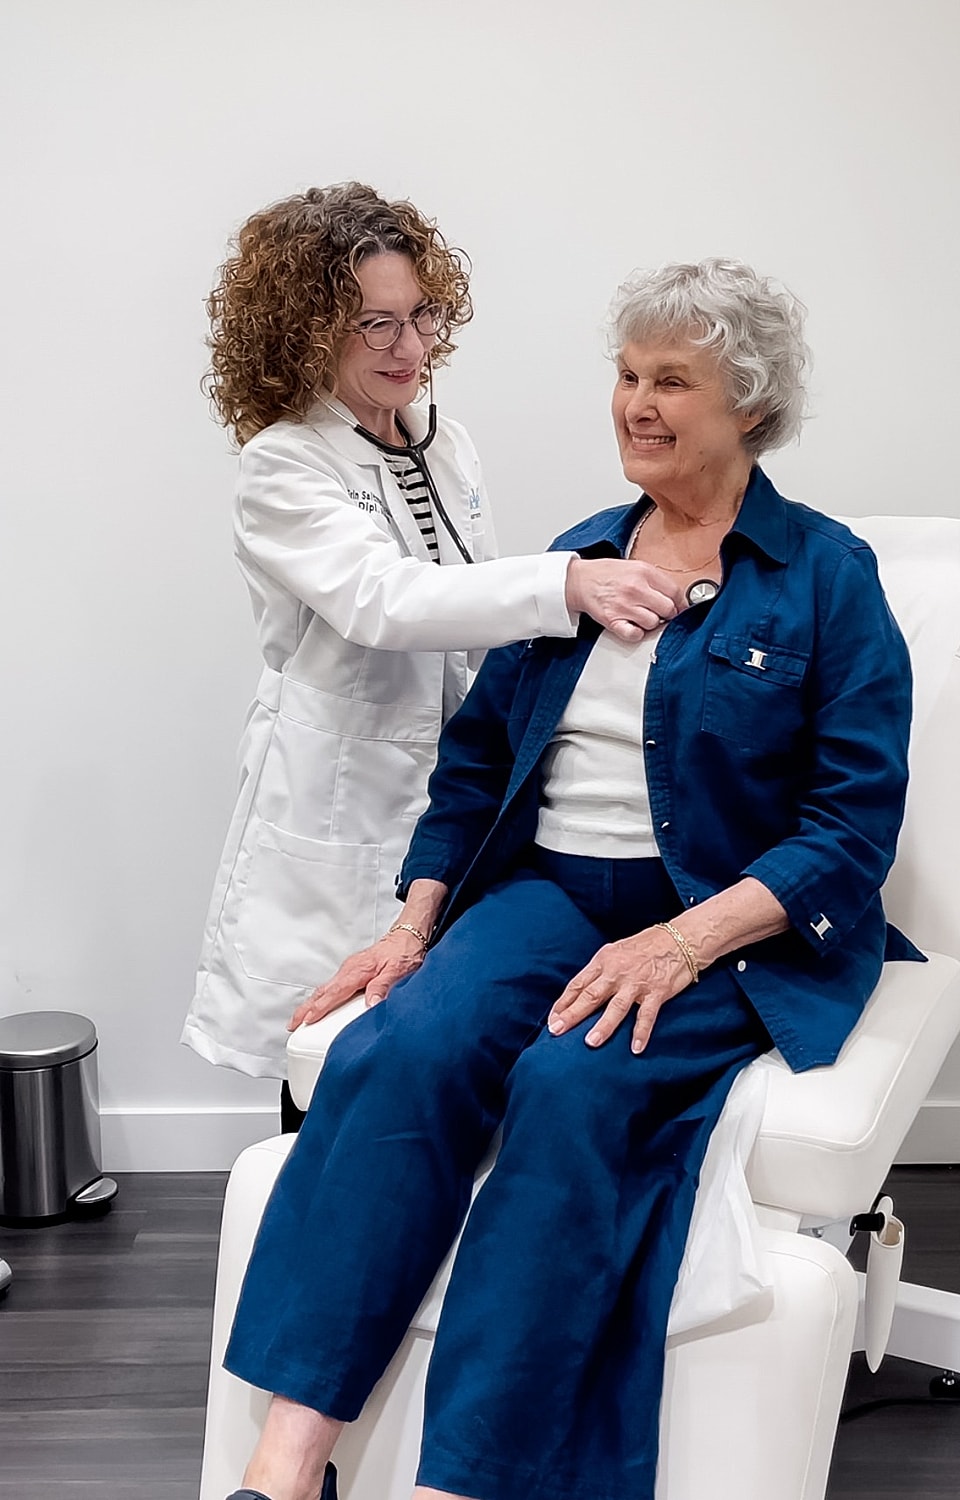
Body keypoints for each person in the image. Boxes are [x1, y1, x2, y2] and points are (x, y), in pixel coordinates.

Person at [221, 259, 922, 1500]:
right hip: (548, 893)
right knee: (402, 1052)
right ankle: (285, 1467)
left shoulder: (826, 575)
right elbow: (480, 755)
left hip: (721, 915)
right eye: (626, 374)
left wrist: (683, 944)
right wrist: (416, 924)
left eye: (673, 381)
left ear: (748, 407)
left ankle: (467, 1481)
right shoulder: (581, 557)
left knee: (570, 1084)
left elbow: (852, 825)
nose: (635, 405)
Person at [182, 184, 680, 1126]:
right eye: (374, 324)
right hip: (341, 794)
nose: (408, 349)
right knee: (330, 1048)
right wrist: (567, 584)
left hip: (455, 791)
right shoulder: (282, 465)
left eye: (419, 317)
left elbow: (464, 603)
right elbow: (382, 600)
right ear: (304, 332)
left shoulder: (441, 445)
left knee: (432, 1052)